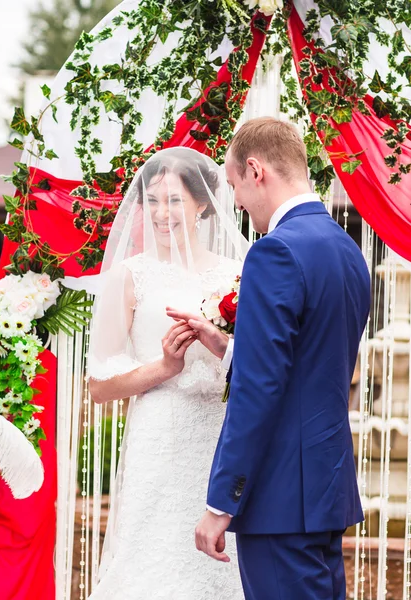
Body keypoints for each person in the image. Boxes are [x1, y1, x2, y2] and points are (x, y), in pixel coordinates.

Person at [168, 117, 371, 600]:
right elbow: (312, 362)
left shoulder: (274, 252)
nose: (236, 203)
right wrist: (232, 348)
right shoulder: (347, 250)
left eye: (235, 185)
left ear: (255, 170)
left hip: (280, 497)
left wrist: (222, 501)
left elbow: (259, 391)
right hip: (325, 489)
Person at [86, 147, 249, 599]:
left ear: (201, 204)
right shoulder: (128, 277)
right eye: (152, 200)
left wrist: (221, 349)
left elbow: (255, 367)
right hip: (157, 440)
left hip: (219, 439)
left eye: (174, 200)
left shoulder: (237, 274)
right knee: (149, 560)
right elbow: (98, 388)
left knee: (220, 566)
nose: (161, 213)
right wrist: (165, 366)